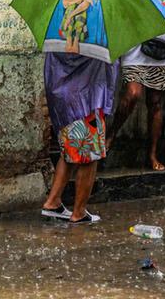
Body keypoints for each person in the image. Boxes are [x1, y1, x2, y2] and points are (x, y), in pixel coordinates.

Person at [40, 52, 119, 223]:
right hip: (86, 99)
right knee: (89, 156)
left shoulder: (59, 38)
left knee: (69, 150)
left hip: (62, 97)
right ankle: (79, 212)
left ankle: (53, 202)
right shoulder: (96, 40)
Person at [108, 33, 165, 171]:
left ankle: (152, 155)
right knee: (133, 94)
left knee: (155, 103)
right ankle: (112, 134)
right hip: (133, 47)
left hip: (159, 48)